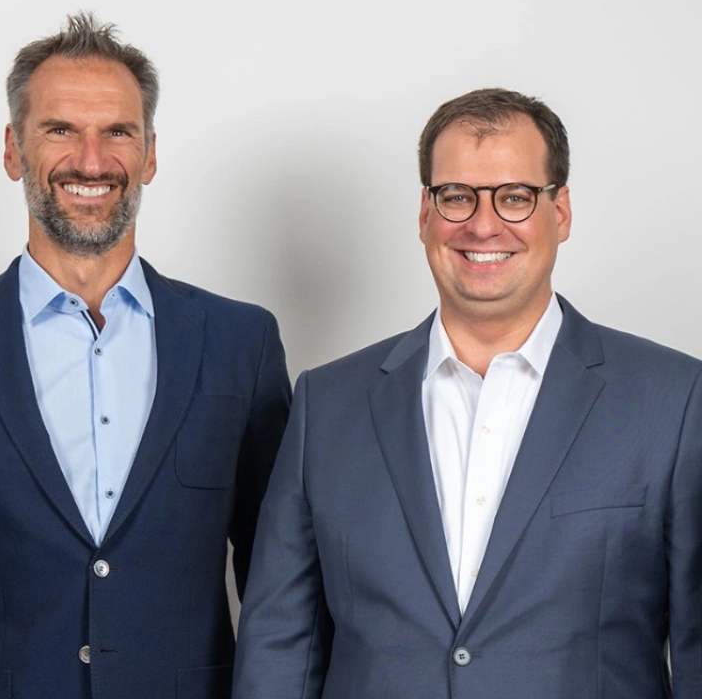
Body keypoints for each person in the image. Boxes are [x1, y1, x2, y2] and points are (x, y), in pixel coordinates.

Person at [0, 12, 292, 699]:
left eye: (117, 132)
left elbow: (281, 589)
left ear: (150, 154)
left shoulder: (241, 343)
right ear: (14, 150)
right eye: (60, 130)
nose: (91, 161)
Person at [233, 88, 702, 697]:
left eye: (515, 197)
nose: (483, 224)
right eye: (457, 196)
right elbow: (279, 650)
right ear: (425, 214)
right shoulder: (326, 405)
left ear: (560, 212)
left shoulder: (674, 401)